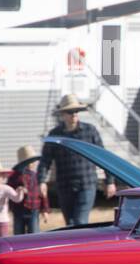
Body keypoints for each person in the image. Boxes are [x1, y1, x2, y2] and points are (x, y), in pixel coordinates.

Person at [36, 94, 116, 227]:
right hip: (64, 185)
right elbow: (45, 160)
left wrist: (110, 182)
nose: (74, 115)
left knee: (80, 222)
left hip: (87, 183)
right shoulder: (55, 134)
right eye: (70, 112)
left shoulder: (90, 131)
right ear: (62, 114)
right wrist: (41, 181)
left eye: (76, 111)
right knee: (70, 224)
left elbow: (103, 157)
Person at [7, 145, 48, 235]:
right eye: (28, 162)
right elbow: (9, 193)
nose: (31, 164)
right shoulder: (13, 177)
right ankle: (19, 248)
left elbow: (42, 193)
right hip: (18, 210)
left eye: (32, 161)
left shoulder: (37, 176)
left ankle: (33, 248)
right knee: (18, 233)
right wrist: (8, 208)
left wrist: (44, 210)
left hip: (34, 208)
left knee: (34, 233)